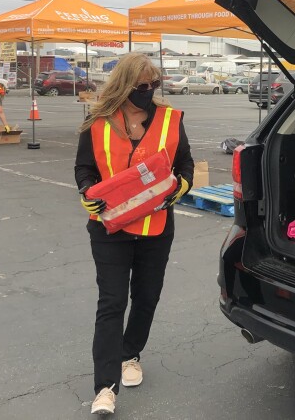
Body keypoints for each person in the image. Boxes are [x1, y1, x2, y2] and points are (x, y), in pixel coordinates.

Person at [73, 53, 194, 415]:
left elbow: (184, 161)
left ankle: (131, 354)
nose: (149, 92)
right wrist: (87, 193)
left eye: (153, 85)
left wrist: (182, 185)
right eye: (142, 86)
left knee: (147, 297)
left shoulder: (171, 120)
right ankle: (105, 388)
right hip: (110, 228)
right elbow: (83, 168)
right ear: (124, 85)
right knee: (111, 303)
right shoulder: (97, 122)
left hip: (156, 228)